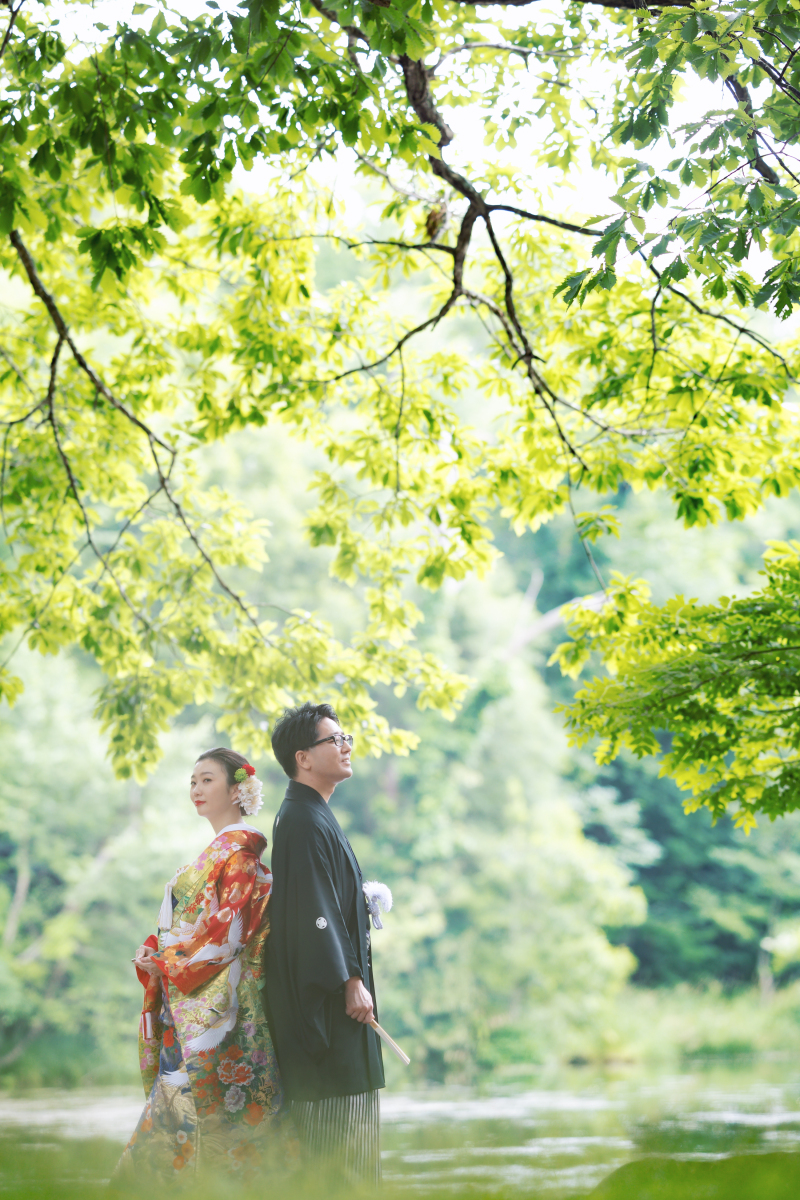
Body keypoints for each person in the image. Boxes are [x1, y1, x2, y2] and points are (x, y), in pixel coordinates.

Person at [114, 748, 283, 1184]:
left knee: (195, 1128)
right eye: (192, 781)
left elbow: (227, 934)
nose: (196, 789)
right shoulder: (214, 854)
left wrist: (168, 960)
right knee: (181, 1125)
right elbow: (187, 926)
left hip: (214, 1013)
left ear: (238, 788)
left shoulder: (240, 853)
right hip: (188, 1001)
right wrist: (155, 952)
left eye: (207, 779)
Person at [266, 702, 385, 1185]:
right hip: (328, 1011)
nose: (346, 745)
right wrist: (349, 980)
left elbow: (330, 902)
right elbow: (313, 913)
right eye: (334, 739)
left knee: (351, 1149)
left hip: (339, 1006)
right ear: (304, 757)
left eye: (345, 736)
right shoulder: (299, 819)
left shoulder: (313, 814)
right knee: (338, 1156)